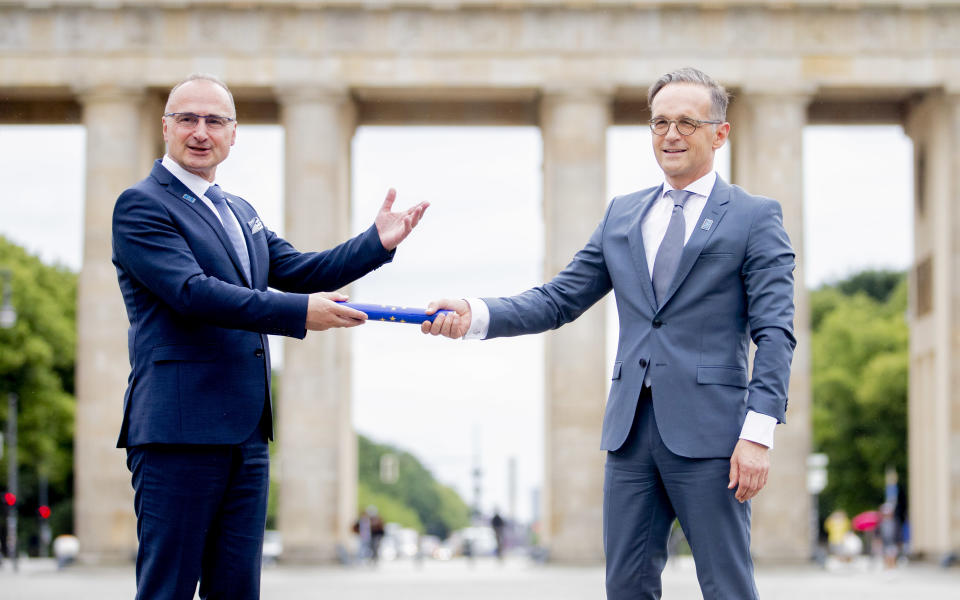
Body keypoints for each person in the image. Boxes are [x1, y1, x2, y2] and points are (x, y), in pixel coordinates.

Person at [422, 67, 796, 599]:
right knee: (625, 586)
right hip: (629, 434)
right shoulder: (623, 215)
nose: (670, 134)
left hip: (713, 437)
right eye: (660, 122)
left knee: (727, 586)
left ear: (720, 133)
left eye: (687, 123)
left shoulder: (754, 218)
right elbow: (558, 299)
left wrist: (758, 434)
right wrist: (474, 312)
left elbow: (776, 332)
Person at [112, 73, 428, 600]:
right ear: (165, 127)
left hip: (246, 435)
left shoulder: (239, 211)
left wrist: (375, 242)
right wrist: (301, 314)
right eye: (187, 119)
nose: (200, 131)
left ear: (233, 135)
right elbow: (194, 293)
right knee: (167, 589)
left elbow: (302, 270)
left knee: (238, 590)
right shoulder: (141, 205)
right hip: (177, 433)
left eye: (215, 121)